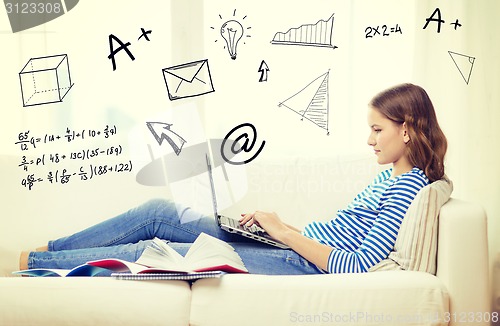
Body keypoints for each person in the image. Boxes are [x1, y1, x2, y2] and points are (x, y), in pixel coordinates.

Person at [19, 83, 447, 275]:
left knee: (155, 249)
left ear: (406, 128)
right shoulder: (389, 177)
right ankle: (47, 251)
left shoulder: (409, 186)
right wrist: (279, 226)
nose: (368, 140)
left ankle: (32, 265)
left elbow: (355, 266)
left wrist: (282, 232)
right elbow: (342, 239)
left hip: (299, 265)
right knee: (159, 211)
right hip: (288, 245)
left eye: (377, 130)